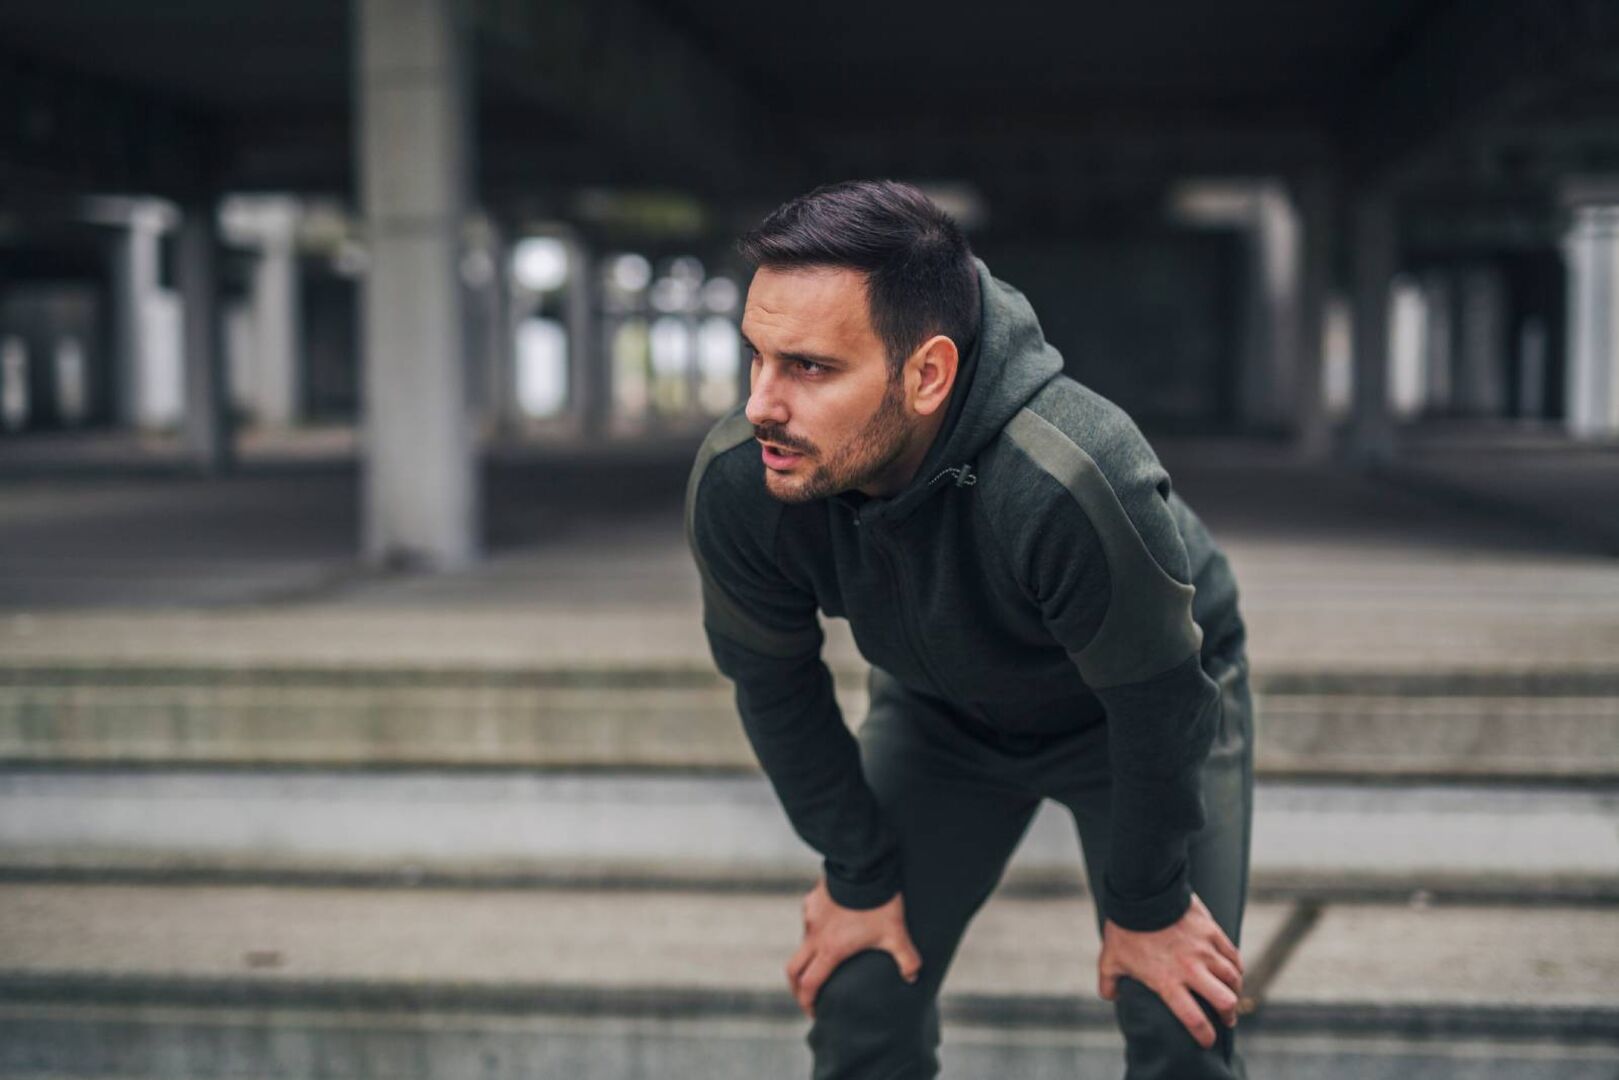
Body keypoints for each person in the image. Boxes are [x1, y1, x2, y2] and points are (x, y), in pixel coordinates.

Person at [685, 179, 1254, 1080]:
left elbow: (1155, 708)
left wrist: (1146, 907)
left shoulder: (1071, 475)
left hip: (1133, 719)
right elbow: (772, 681)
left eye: (809, 367)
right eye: (755, 356)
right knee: (860, 986)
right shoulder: (742, 481)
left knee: (1175, 1009)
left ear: (927, 374)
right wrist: (858, 877)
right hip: (939, 715)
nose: (761, 403)